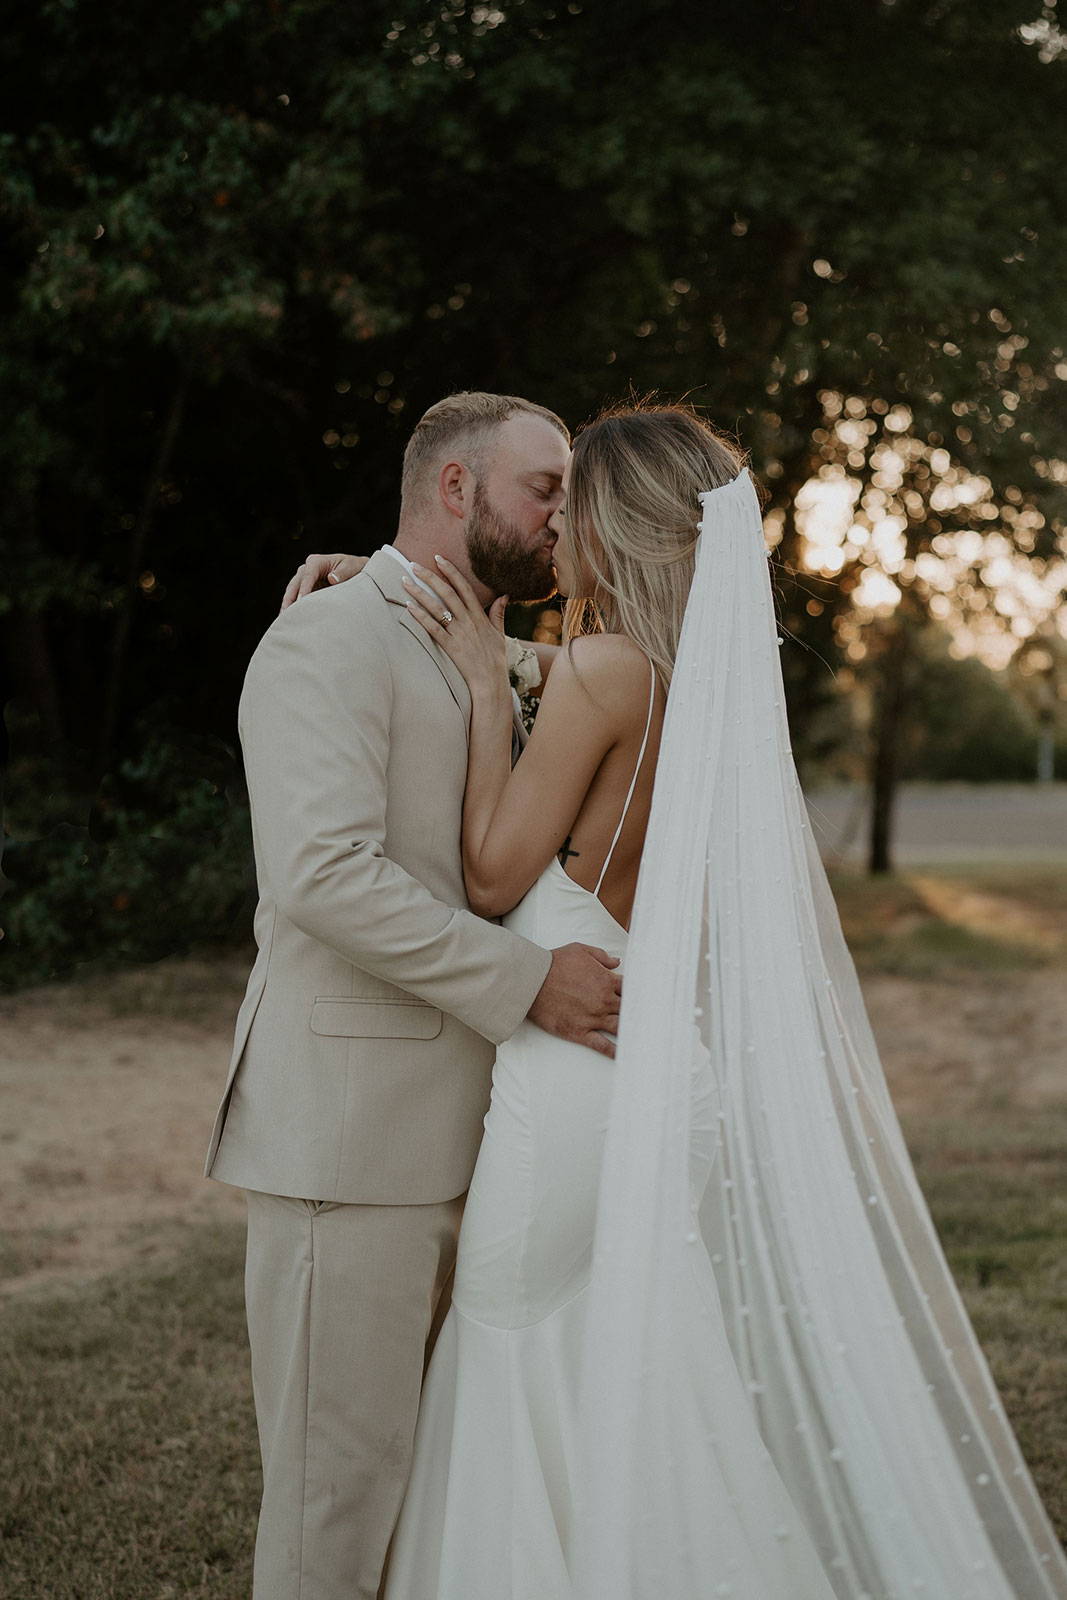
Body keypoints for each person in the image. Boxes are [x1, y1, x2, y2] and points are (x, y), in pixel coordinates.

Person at [303, 400, 1067, 1599]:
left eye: (571, 505)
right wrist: (407, 596)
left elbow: (496, 871)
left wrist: (468, 671)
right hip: (665, 1076)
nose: (553, 529)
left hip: (574, 1094)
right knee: (636, 1373)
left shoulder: (603, 674)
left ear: (620, 524)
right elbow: (555, 670)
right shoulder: (692, 686)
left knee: (511, 1356)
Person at [204, 391, 624, 1600]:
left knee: (419, 1484)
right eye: (545, 488)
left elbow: (624, 681)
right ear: (456, 490)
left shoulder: (489, 647)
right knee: (335, 1496)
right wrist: (527, 980)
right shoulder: (323, 640)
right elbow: (324, 877)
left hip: (473, 1141)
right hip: (346, 1139)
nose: (565, 515)